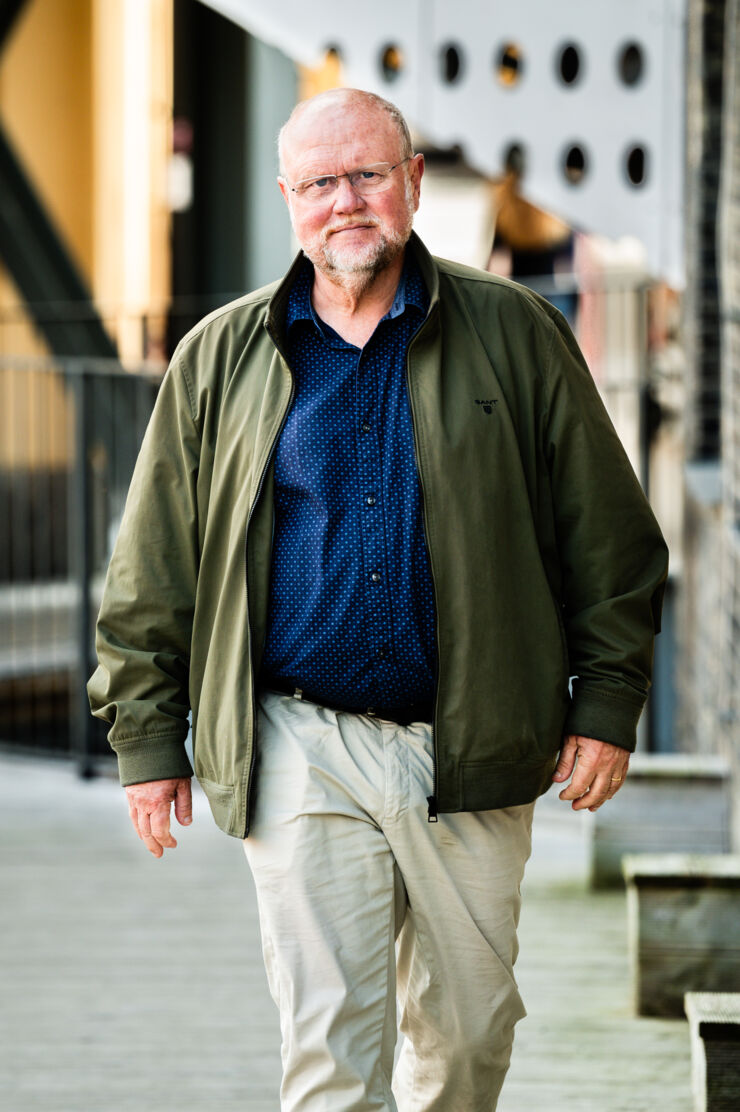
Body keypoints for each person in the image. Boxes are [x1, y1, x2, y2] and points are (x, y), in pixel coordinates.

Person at [88, 88, 668, 1111]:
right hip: (298, 739)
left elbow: (609, 539)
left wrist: (604, 704)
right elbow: (154, 563)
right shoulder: (223, 356)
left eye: (365, 174)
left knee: (468, 1034)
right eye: (319, 183)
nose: (344, 201)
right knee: (327, 1047)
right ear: (286, 199)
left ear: (408, 181)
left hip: (475, 738)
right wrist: (147, 736)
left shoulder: (515, 332)